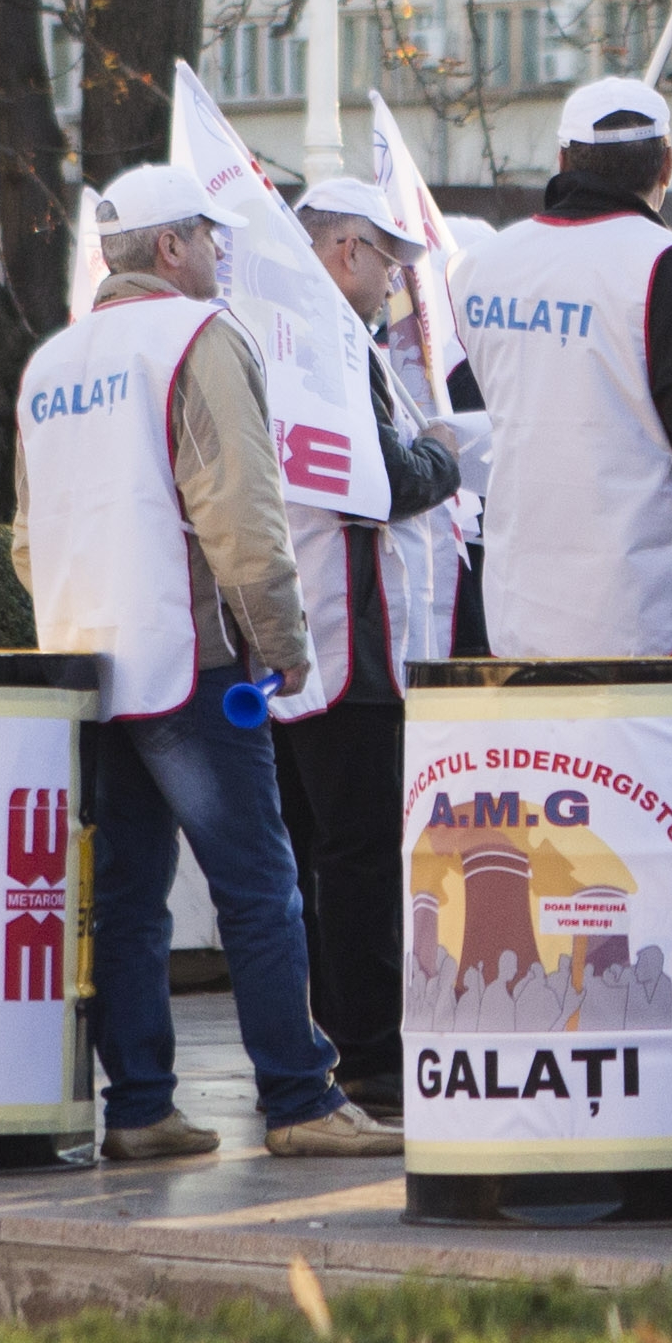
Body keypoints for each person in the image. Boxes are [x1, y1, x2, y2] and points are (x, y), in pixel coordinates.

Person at [10, 163, 399, 1161]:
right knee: (260, 885)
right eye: (213, 240)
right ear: (172, 248)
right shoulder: (198, 337)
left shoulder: (52, 363)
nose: (225, 257)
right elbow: (240, 514)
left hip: (88, 666)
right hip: (192, 659)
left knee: (129, 897)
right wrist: (282, 645)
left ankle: (139, 1106)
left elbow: (24, 539)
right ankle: (299, 1099)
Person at [265, 177, 466, 1124]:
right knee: (355, 857)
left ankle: (335, 1036)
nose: (395, 281)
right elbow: (381, 478)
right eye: (388, 259)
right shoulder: (325, 341)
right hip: (348, 630)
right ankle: (372, 1049)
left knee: (318, 852)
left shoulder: (284, 330)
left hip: (305, 629)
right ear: (344, 250)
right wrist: (444, 453)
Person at [457, 80, 672, 658]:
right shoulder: (665, 265)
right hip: (645, 603)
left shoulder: (483, 264)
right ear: (667, 164)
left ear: (561, 160)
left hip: (520, 596)